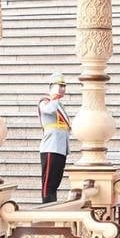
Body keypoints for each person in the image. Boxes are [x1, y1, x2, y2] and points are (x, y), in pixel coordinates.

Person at [38, 72, 72, 203]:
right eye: (60, 86)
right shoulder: (45, 102)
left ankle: (52, 206)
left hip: (60, 149)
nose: (63, 89)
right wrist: (55, 97)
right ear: (51, 87)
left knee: (55, 182)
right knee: (48, 184)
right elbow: (49, 110)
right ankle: (47, 207)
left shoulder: (59, 105)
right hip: (50, 147)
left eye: (64, 86)